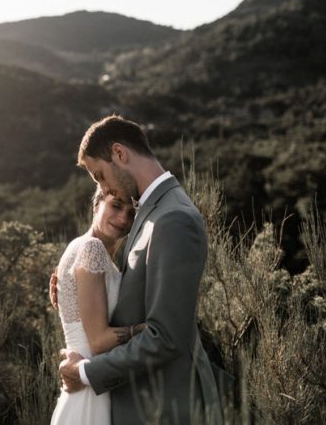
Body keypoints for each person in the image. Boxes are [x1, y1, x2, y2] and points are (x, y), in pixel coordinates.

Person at [57, 114, 223, 425]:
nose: (106, 189)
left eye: (101, 176)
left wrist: (85, 373)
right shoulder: (149, 213)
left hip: (162, 408)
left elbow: (165, 337)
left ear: (119, 154)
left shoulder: (173, 219)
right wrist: (72, 290)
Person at [50, 185, 143, 425]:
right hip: (87, 386)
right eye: (115, 205)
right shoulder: (92, 248)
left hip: (92, 382)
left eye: (131, 213)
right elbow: (99, 341)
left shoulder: (84, 248)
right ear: (96, 205)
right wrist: (150, 328)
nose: (123, 218)